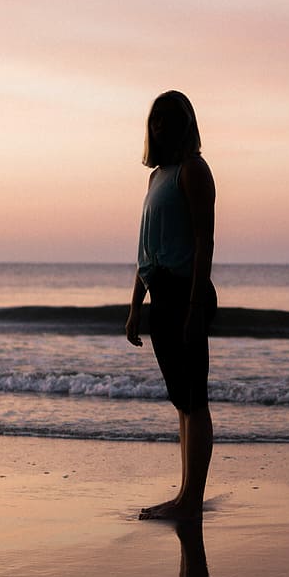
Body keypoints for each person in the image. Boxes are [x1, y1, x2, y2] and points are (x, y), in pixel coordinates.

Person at [126, 91, 217, 519]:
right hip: (160, 295)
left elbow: (204, 241)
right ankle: (185, 497)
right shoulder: (156, 176)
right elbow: (147, 248)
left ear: (187, 122)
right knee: (181, 401)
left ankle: (191, 501)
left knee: (194, 400)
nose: (161, 124)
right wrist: (134, 306)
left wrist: (196, 307)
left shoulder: (193, 170)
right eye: (155, 117)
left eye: (170, 117)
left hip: (186, 294)